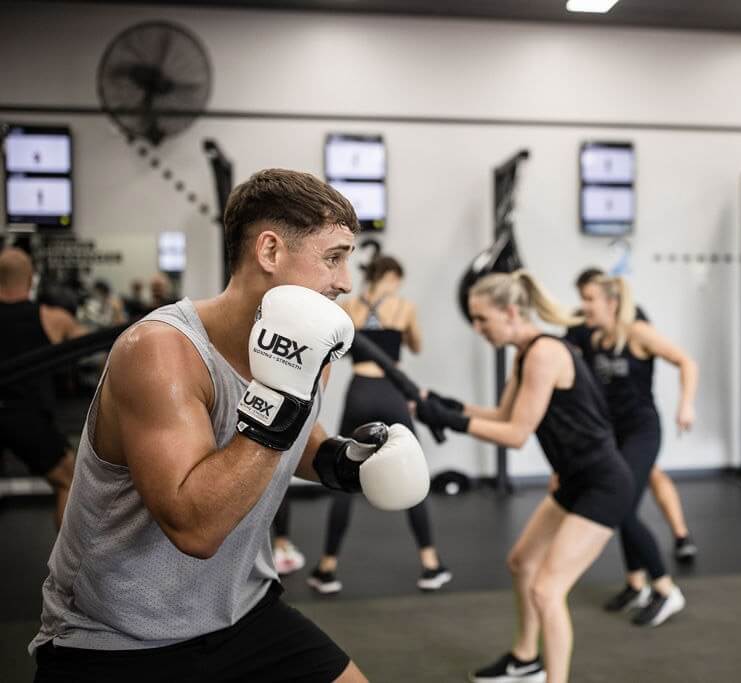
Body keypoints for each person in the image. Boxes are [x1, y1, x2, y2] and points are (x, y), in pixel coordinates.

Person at [29, 169, 430, 683]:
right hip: (118, 639)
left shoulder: (307, 352)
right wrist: (282, 400)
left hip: (243, 610)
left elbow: (296, 442)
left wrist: (341, 461)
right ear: (269, 251)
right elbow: (195, 526)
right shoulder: (160, 352)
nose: (346, 281)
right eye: (334, 257)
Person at [414, 270, 634, 683]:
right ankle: (524, 659)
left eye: (482, 320)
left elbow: (515, 435)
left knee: (546, 590)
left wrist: (451, 422)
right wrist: (447, 405)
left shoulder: (545, 353)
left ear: (511, 311)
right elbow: (501, 416)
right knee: (522, 562)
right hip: (572, 479)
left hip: (603, 483)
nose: (478, 329)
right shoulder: (526, 353)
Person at [307, 253, 451, 594]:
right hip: (391, 392)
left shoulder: (349, 307)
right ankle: (430, 563)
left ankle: (327, 567)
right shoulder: (404, 307)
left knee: (344, 470)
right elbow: (416, 345)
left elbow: (334, 348)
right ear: (393, 276)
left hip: (359, 391)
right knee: (413, 472)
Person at [577, 274, 695, 625]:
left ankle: (665, 590)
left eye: (589, 299)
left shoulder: (638, 333)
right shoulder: (596, 340)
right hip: (612, 434)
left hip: (642, 431)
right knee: (622, 508)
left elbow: (687, 362)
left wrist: (685, 405)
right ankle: (636, 584)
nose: (583, 306)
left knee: (622, 507)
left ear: (611, 303)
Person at [0, 247, 86, 528]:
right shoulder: (52, 317)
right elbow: (94, 345)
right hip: (27, 417)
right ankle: (67, 570)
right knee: (68, 480)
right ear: (31, 278)